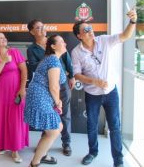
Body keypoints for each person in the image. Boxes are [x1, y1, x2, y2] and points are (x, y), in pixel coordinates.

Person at [71, 9, 137, 167]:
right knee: (92, 125)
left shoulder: (104, 40)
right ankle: (93, 152)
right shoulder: (76, 52)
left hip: (111, 92)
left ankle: (118, 160)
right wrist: (94, 81)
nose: (90, 31)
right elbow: (77, 74)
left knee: (115, 126)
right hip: (92, 94)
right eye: (86, 30)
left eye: (90, 28)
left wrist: (133, 22)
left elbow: (125, 36)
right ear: (79, 35)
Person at [27, 19, 75, 156]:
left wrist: (71, 75)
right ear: (32, 32)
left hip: (62, 84)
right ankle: (44, 147)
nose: (42, 29)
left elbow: (67, 60)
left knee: (64, 115)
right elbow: (33, 66)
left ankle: (66, 143)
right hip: (45, 88)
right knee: (47, 116)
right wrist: (49, 62)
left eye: (43, 26)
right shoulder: (32, 49)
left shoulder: (57, 42)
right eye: (38, 28)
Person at [25, 35, 66, 167]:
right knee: (54, 129)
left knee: (53, 129)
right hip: (40, 96)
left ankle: (42, 155)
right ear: (53, 46)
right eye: (61, 41)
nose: (65, 43)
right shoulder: (53, 60)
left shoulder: (52, 59)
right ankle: (35, 163)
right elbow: (53, 86)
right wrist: (58, 102)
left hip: (41, 95)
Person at [0, 32, 29, 163]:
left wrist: (22, 89)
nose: (4, 39)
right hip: (1, 93)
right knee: (2, 118)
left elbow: (24, 70)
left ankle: (15, 150)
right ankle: (3, 145)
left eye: (4, 37)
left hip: (15, 91)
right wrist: (3, 61)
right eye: (0, 38)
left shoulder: (14, 52)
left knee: (15, 119)